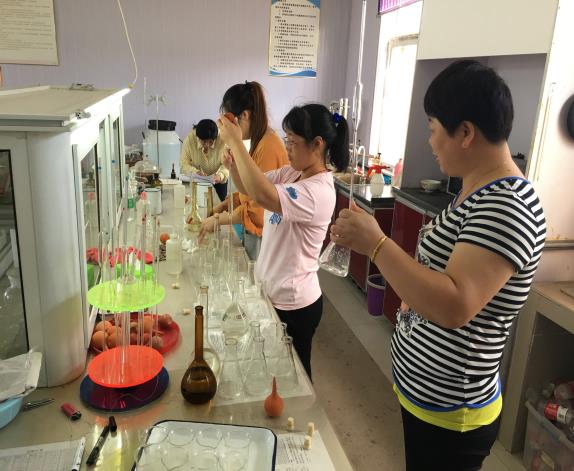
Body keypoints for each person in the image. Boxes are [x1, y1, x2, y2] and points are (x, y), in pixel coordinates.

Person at [330, 60, 546, 470]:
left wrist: (376, 244)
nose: (429, 142)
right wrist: (412, 297)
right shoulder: (476, 190)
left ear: (465, 132)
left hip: (451, 410)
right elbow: (444, 275)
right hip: (428, 397)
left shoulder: (506, 205)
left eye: (432, 129)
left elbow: (454, 305)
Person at [210, 103, 350, 380]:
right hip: (273, 293)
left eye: (293, 142)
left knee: (296, 377)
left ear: (317, 144)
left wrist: (236, 143)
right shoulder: (292, 173)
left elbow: (264, 196)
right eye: (286, 140)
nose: (287, 149)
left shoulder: (318, 191)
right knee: (273, 371)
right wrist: (234, 166)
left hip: (295, 303)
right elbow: (251, 188)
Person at [199, 81, 288, 260]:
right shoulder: (259, 141)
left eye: (229, 122)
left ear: (245, 115)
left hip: (266, 239)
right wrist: (224, 204)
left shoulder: (269, 147)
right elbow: (248, 190)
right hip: (256, 235)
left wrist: (219, 219)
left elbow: (258, 209)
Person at [180, 118, 229, 201]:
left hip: (218, 179)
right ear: (198, 137)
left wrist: (220, 176)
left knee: (222, 202)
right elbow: (184, 164)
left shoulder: (223, 139)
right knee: (199, 202)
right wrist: (196, 172)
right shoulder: (189, 140)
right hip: (198, 178)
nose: (207, 145)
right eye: (204, 142)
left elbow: (227, 164)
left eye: (211, 142)